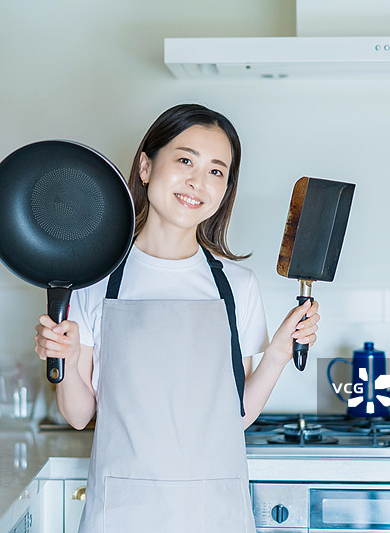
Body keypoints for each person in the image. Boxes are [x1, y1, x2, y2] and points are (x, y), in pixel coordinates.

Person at [33, 103, 320, 533]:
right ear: (146, 167)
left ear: (225, 189)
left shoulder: (237, 286)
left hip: (215, 514)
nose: (197, 182)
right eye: (185, 160)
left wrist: (278, 352)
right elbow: (79, 414)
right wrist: (68, 361)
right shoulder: (96, 281)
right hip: (122, 513)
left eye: (216, 171)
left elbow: (236, 415)